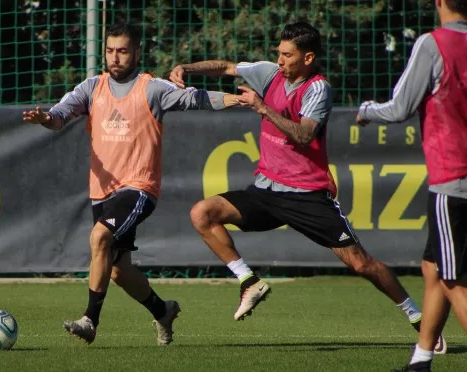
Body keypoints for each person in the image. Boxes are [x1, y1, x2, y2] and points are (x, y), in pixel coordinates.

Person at [168, 21, 445, 351]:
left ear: (308, 57)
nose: (280, 60)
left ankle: (417, 316)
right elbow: (227, 67)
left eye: (287, 55)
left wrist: (262, 108)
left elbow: (304, 134)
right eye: (279, 53)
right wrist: (185, 67)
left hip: (307, 195)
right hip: (266, 191)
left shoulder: (318, 89)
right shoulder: (270, 73)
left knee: (361, 264)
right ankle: (249, 281)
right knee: (203, 213)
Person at [22, 23, 242, 345]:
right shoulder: (92, 87)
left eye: (123, 51)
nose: (115, 57)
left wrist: (239, 100)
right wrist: (46, 120)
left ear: (137, 52)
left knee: (100, 238)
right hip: (103, 192)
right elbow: (60, 114)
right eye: (110, 50)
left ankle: (90, 320)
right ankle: (162, 310)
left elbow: (195, 99)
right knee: (118, 270)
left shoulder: (151, 88)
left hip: (138, 187)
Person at [356, 1, 467, 370]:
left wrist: (366, 110)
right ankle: (421, 360)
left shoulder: (433, 43)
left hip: (454, 179)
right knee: (433, 266)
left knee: (453, 281)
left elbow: (401, 107)